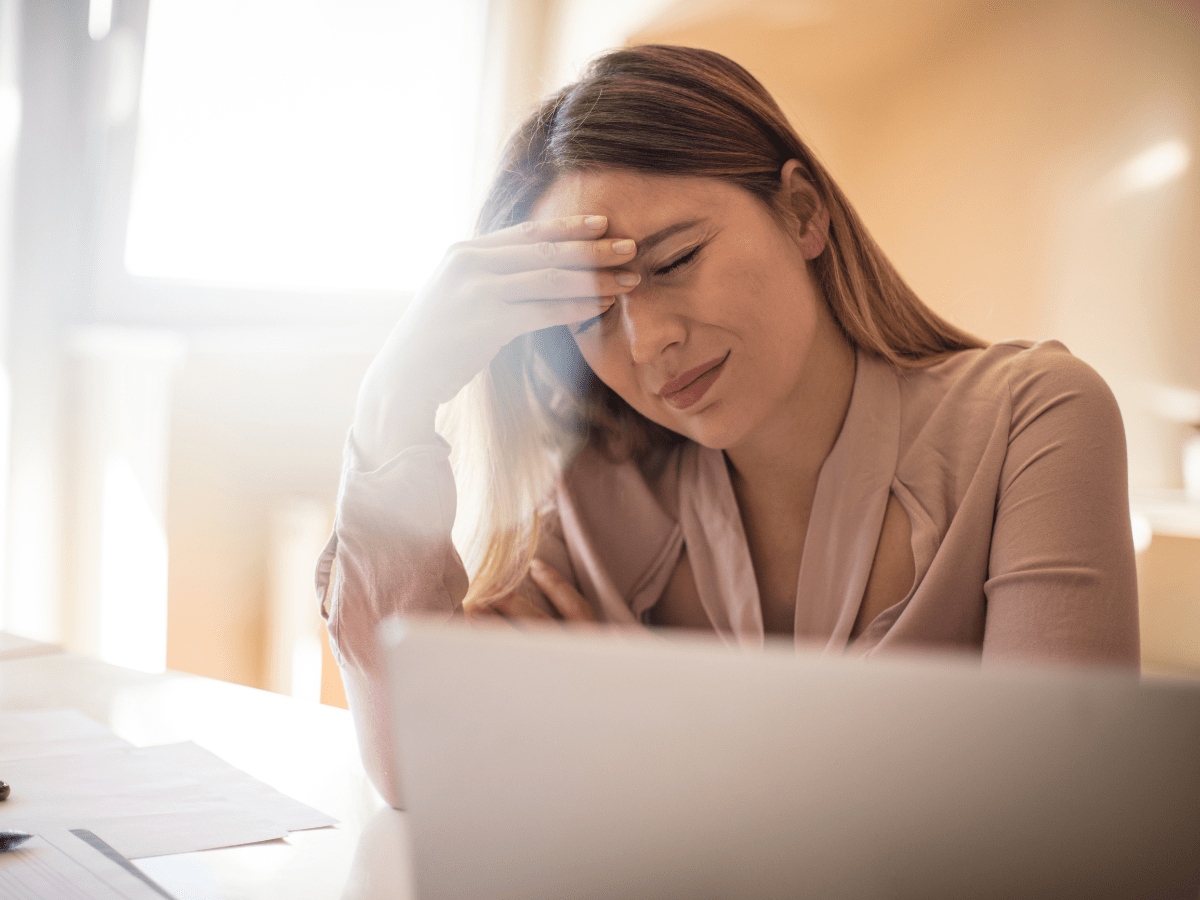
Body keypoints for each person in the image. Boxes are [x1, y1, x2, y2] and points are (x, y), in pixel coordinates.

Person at [316, 45, 1139, 807]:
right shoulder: (596, 497)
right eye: (592, 313)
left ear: (804, 212)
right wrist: (393, 400)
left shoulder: (1035, 420)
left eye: (674, 262)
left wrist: (630, 728)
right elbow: (417, 766)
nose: (648, 342)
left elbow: (1053, 811)